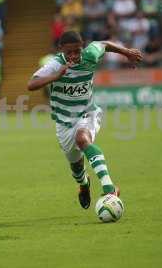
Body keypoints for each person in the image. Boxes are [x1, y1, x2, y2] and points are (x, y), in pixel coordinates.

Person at [27, 31, 142, 209]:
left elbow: (104, 44)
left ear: (82, 48)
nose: (74, 56)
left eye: (77, 51)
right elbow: (31, 84)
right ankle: (84, 184)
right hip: (64, 121)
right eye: (69, 52)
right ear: (61, 50)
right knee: (76, 165)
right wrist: (56, 76)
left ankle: (109, 189)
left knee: (82, 139)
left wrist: (127, 53)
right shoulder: (55, 64)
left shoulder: (90, 55)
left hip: (88, 113)